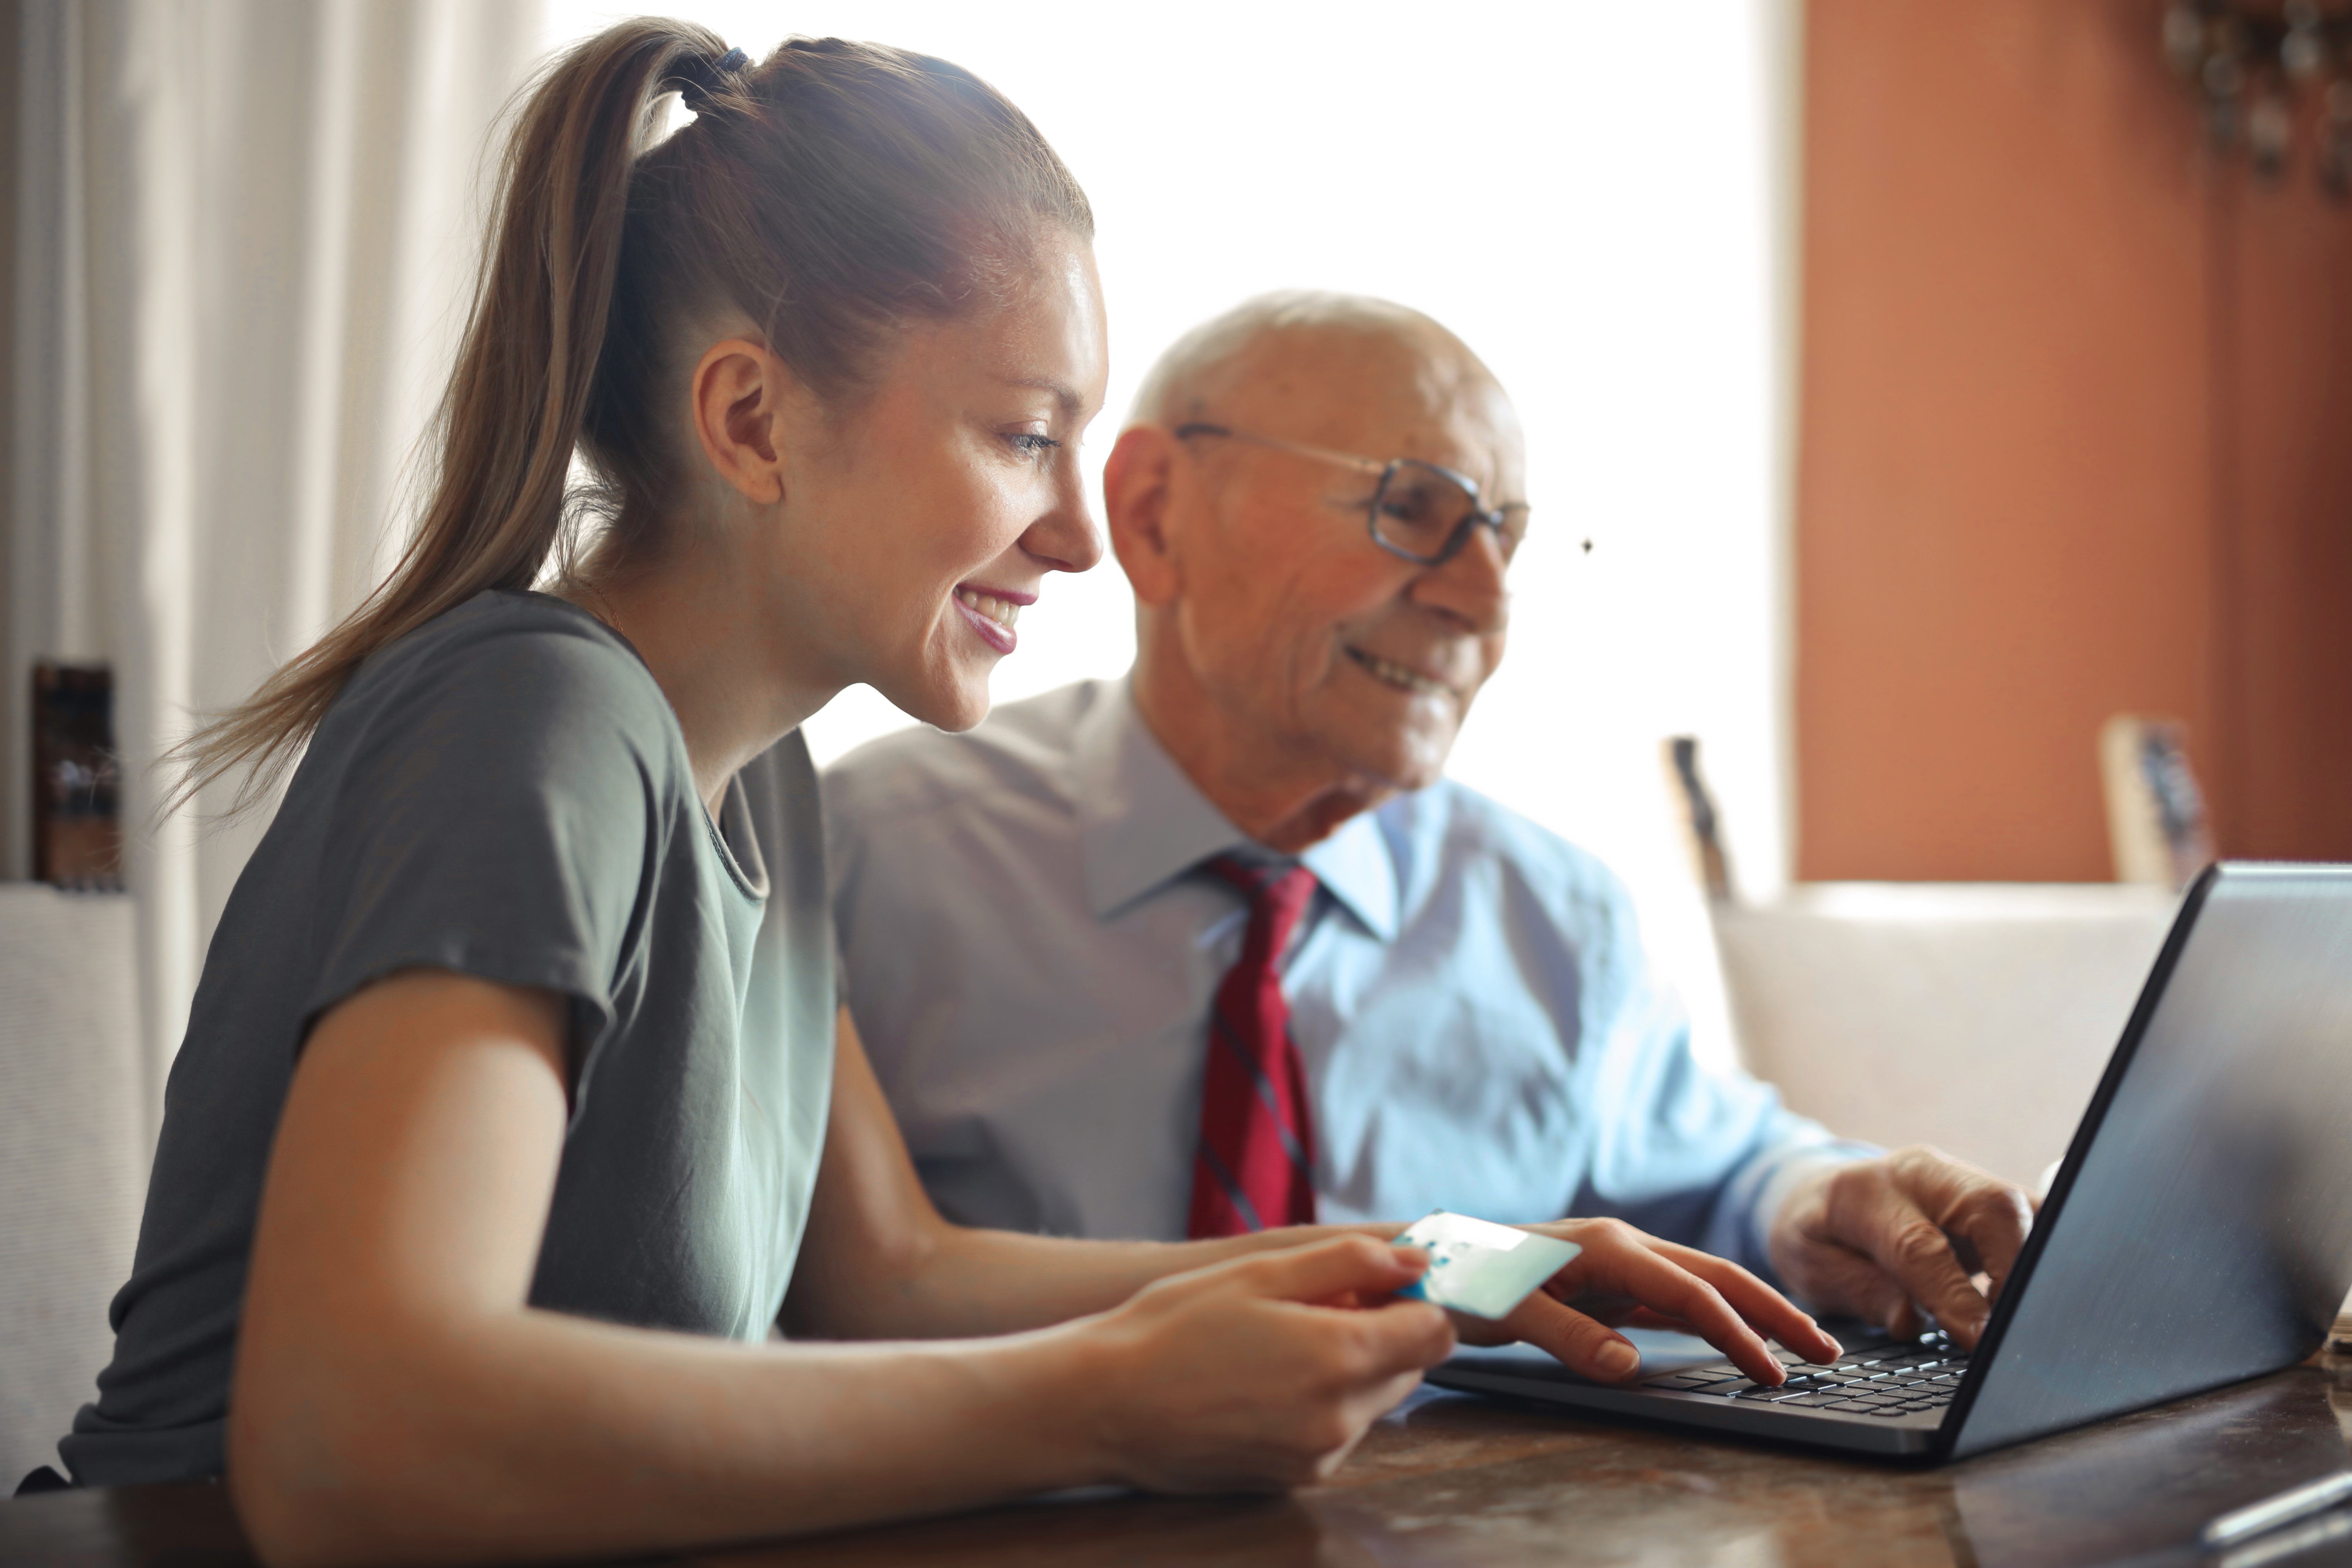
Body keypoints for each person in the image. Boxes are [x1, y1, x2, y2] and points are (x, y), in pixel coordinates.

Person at [44, 24, 1844, 1564]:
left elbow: (883, 1275)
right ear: (750, 424)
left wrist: (1442, 1264)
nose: (1074, 535)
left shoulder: (764, 792)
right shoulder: (537, 720)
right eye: (1020, 434)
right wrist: (1111, 1403)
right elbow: (351, 1436)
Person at [824, 291, 2038, 1352]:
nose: (1483, 604)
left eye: (1504, 537)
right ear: (1151, 513)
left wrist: (1814, 1198)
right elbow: (830, 1293)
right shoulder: (869, 856)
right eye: (1415, 509)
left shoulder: (1551, 912)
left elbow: (1721, 1172)